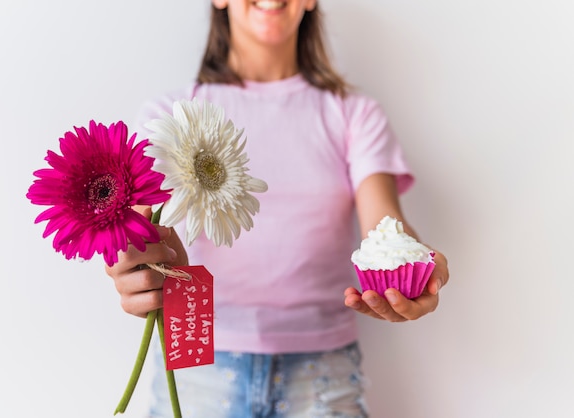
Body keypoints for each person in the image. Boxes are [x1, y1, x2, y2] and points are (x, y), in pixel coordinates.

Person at [106, 1, 450, 417]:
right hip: (197, 363)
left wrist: (414, 266)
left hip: (322, 373)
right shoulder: (168, 116)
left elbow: (385, 229)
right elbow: (133, 237)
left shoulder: (354, 115)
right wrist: (128, 267)